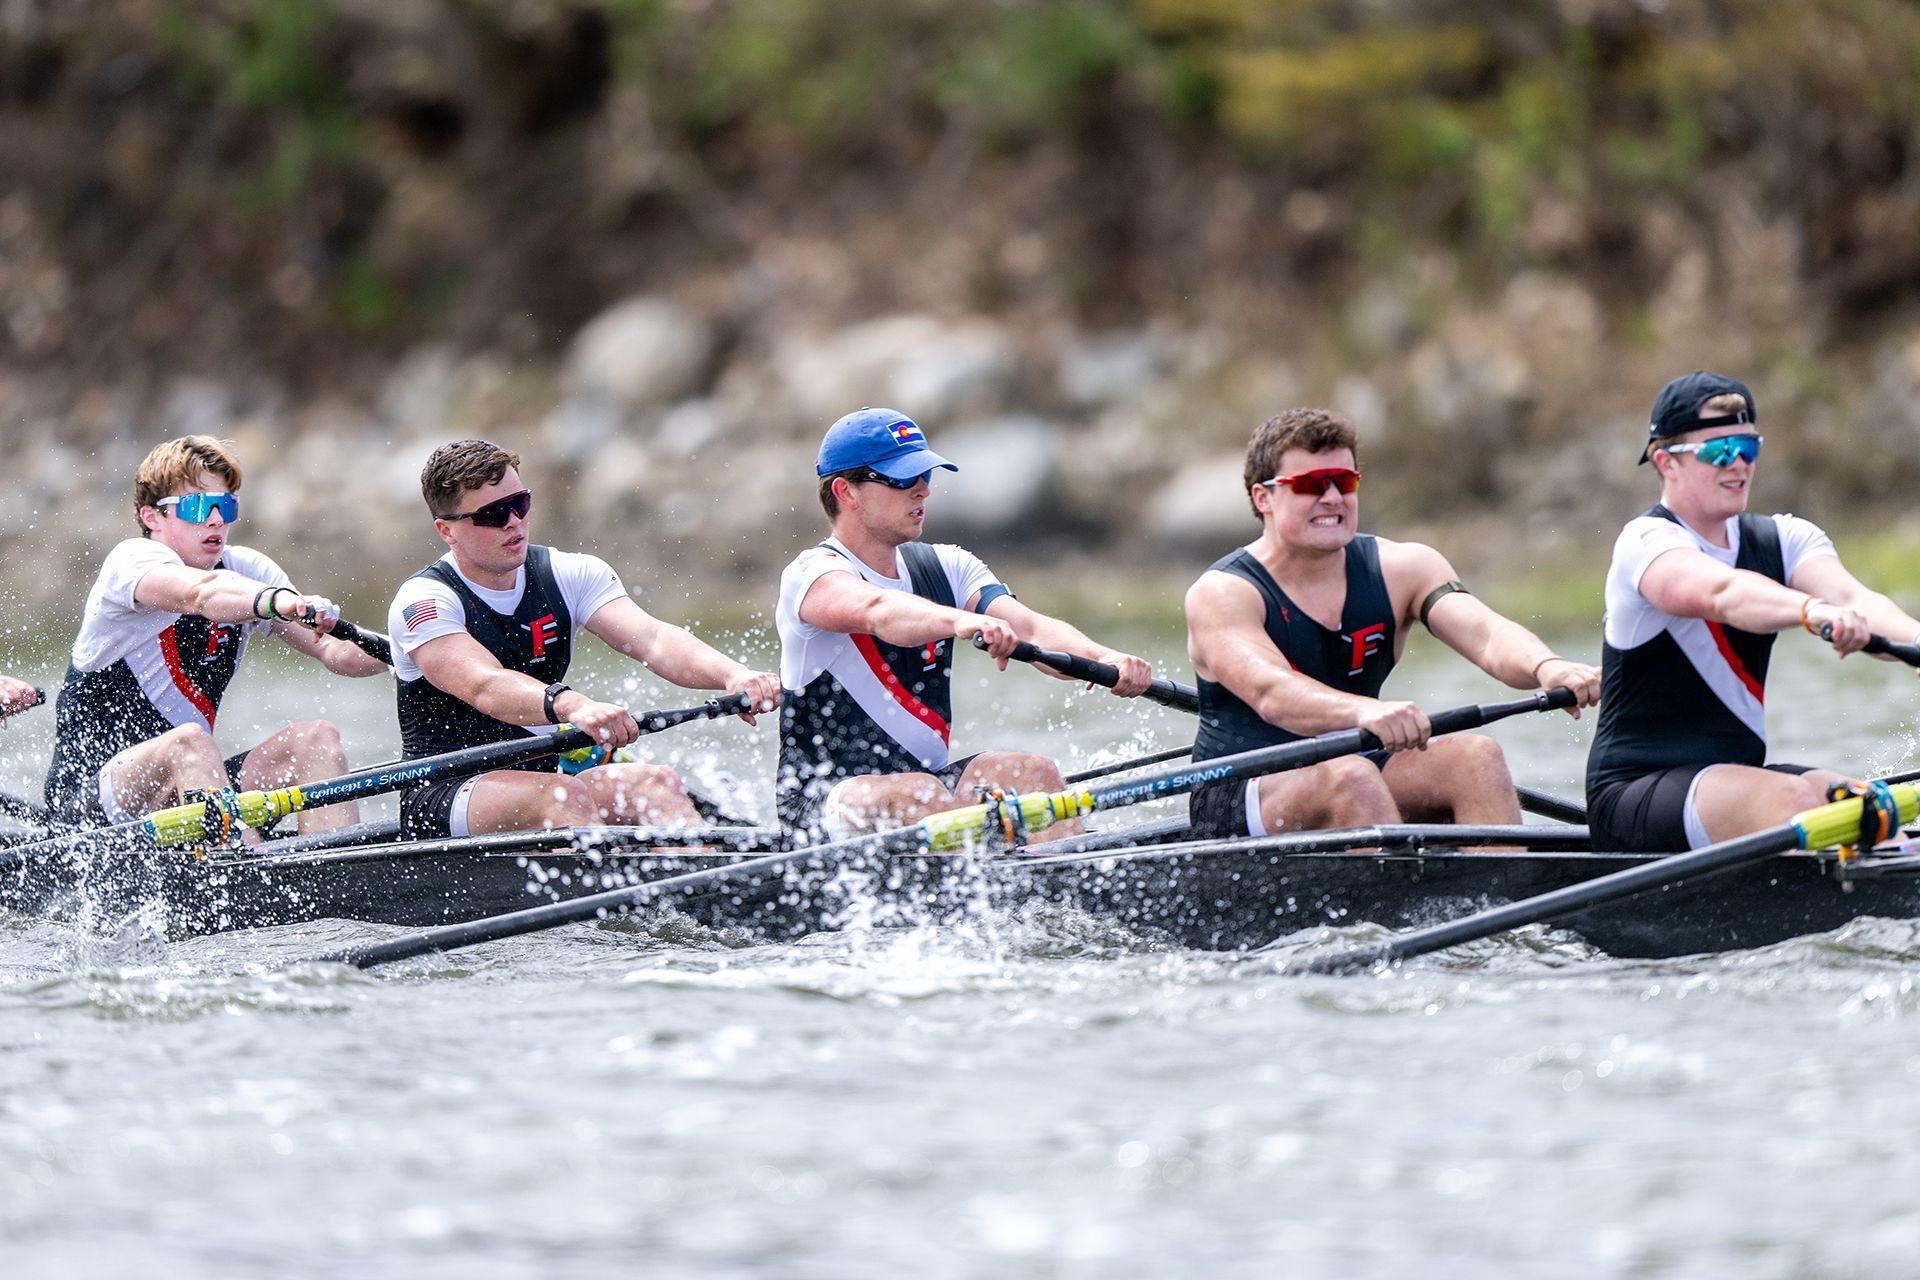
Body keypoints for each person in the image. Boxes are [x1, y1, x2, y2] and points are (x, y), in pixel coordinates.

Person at [1184, 407, 1600, 839]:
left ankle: (1498, 879)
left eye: (1344, 482)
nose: (1332, 498)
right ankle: (1404, 882)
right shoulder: (1223, 593)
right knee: (1353, 779)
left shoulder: (1403, 568)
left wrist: (1546, 666)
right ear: (1263, 498)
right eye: (1311, 485)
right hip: (1242, 789)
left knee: (1476, 758)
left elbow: (1487, 634)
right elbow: (1272, 693)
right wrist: (1364, 711)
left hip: (1358, 763)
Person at [775, 406, 1154, 844]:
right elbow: (878, 610)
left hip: (928, 788)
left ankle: (1063, 882)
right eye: (903, 478)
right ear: (846, 491)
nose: (922, 489)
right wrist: (962, 621)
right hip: (821, 804)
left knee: (1033, 773)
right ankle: (991, 874)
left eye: (925, 475)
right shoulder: (811, 576)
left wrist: (1105, 658)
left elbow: (1031, 630)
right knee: (920, 794)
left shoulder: (948, 565)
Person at [1585, 371, 1920, 852]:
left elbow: (1857, 601)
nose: (1739, 463)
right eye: (1720, 451)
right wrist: (1811, 611)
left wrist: (1915, 640)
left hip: (1734, 781)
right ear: (1666, 462)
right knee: (1795, 800)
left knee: (1873, 812)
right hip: (1633, 794)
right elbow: (1722, 592)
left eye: (1748, 447)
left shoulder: (1786, 538)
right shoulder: (1646, 543)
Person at [388, 439, 780, 839]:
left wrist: (733, 675)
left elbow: (654, 639)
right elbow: (484, 685)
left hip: (547, 777)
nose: (513, 522)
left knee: (655, 784)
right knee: (564, 797)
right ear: (447, 530)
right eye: (492, 514)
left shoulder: (568, 574)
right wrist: (572, 704)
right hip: (446, 791)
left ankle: (699, 876)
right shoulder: (424, 601)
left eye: (520, 504)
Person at [43, 436, 387, 831]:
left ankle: (334, 865)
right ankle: (234, 858)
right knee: (188, 742)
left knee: (316, 741)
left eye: (225, 506)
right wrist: (277, 601)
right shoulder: (132, 562)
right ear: (152, 517)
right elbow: (202, 594)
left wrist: (413, 651)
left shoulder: (247, 570)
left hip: (193, 789)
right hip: (89, 810)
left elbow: (334, 650)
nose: (215, 520)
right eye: (197, 506)